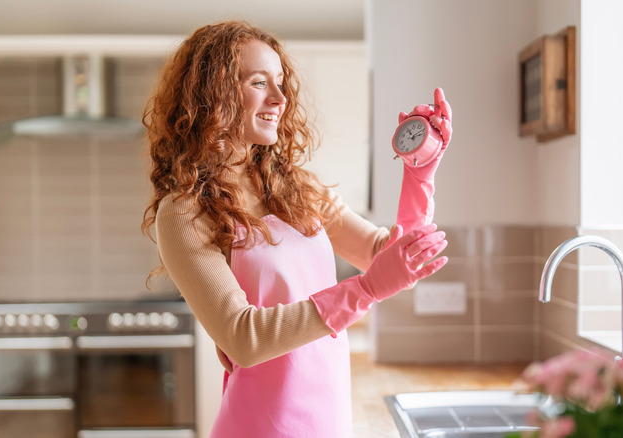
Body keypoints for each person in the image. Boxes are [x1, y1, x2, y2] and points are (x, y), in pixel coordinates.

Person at [141, 20, 453, 438]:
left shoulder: (294, 188)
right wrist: (365, 290)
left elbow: (391, 259)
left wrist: (419, 173)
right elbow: (243, 338)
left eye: (281, 82)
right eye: (259, 82)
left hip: (329, 423)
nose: (280, 98)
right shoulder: (184, 212)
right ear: (213, 94)